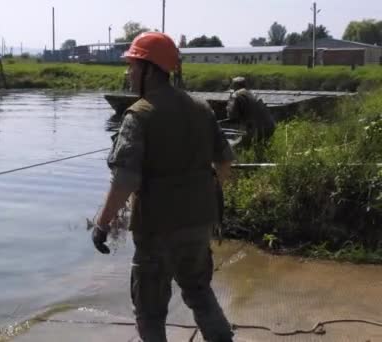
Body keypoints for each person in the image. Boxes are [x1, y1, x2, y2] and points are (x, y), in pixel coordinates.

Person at [91, 32, 235, 342]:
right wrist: (204, 193)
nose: (128, 73)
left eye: (131, 66)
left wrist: (102, 225)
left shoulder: (138, 115)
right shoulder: (202, 109)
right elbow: (225, 163)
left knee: (150, 312)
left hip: (156, 230)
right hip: (198, 224)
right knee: (199, 292)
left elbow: (125, 180)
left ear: (147, 69)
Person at [226, 76, 275, 145]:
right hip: (270, 126)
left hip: (256, 129)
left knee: (234, 147)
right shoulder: (254, 94)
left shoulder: (236, 95)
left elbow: (231, 116)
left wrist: (228, 106)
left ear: (235, 86)